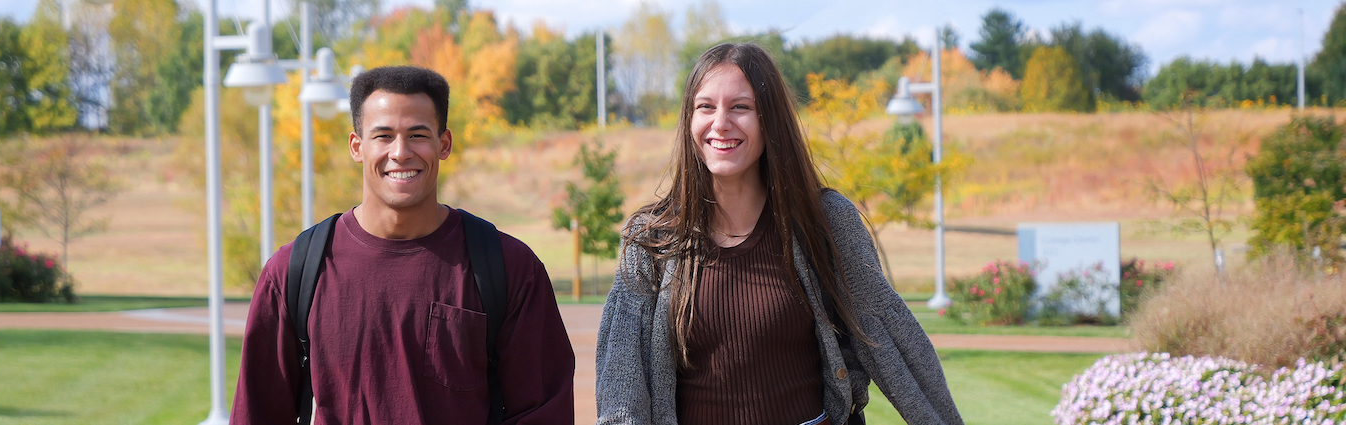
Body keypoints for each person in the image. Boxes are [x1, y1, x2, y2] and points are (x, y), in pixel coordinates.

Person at [595, 43, 963, 425]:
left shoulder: (825, 223)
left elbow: (893, 338)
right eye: (705, 107)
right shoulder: (651, 239)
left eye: (740, 107)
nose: (721, 123)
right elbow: (622, 385)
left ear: (769, 119)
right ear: (689, 121)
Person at [231, 65, 574, 424]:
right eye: (383, 135)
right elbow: (256, 413)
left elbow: (544, 412)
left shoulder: (509, 268)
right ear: (356, 147)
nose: (400, 152)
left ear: (444, 144)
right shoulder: (294, 272)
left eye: (417, 134)